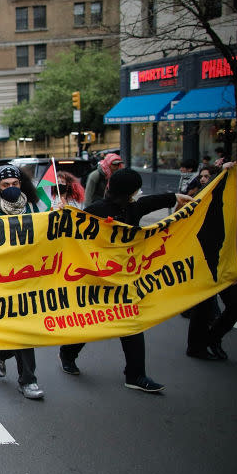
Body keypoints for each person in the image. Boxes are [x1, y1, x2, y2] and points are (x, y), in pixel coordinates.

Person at [59, 168, 193, 392]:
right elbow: (70, 232)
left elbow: (154, 201)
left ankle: (135, 375)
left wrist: (177, 198)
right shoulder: (95, 211)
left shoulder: (133, 209)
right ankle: (68, 353)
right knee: (91, 322)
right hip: (97, 280)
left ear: (110, 187)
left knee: (131, 324)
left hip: (124, 281)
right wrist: (62, 214)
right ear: (131, 192)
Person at [0, 165, 44, 399]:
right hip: (4, 281)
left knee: (25, 332)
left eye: (15, 184)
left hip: (29, 279)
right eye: (6, 185)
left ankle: (26, 378)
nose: (11, 188)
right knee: (17, 331)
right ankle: (7, 358)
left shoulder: (34, 208)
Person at [186, 163, 237, 360]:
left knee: (235, 304)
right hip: (207, 256)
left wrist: (236, 265)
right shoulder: (209, 196)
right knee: (204, 304)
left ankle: (211, 339)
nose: (202, 179)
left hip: (223, 258)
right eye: (201, 176)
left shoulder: (235, 194)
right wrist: (222, 174)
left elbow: (232, 234)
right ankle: (198, 346)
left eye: (206, 176)